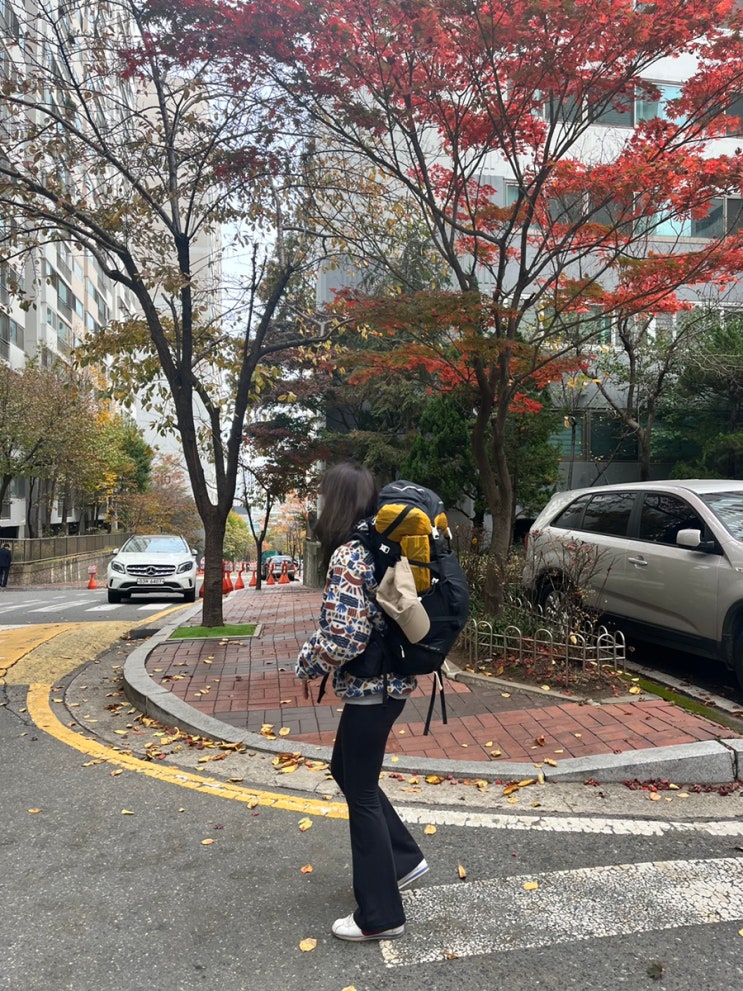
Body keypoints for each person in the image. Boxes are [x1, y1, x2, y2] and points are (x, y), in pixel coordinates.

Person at [296, 462, 428, 942]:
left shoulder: (351, 554)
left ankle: (381, 914)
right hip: (392, 684)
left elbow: (344, 636)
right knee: (345, 769)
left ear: (336, 502)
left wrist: (308, 664)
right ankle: (404, 859)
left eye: (323, 497)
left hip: (373, 688)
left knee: (363, 792)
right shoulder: (383, 546)